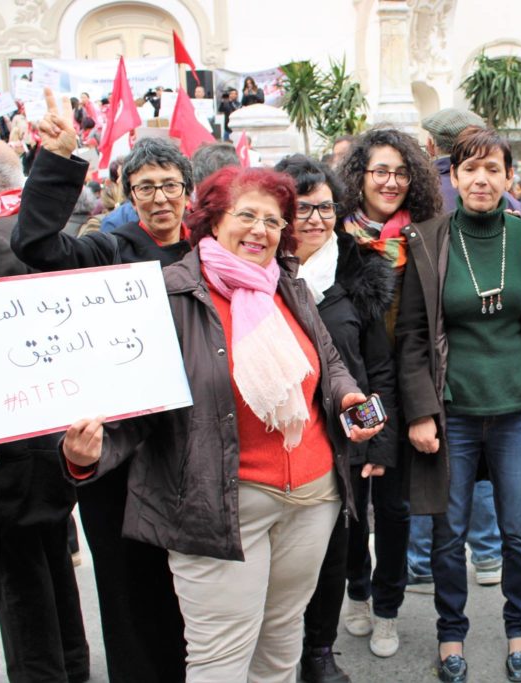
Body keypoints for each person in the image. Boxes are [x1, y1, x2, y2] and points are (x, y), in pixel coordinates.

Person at [62, 164, 382, 680]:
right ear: (213, 220)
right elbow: (136, 402)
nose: (260, 230)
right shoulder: (169, 295)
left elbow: (328, 361)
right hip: (219, 507)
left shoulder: (287, 286)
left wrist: (347, 397)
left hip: (313, 498)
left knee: (280, 646)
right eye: (247, 216)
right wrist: (84, 457)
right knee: (221, 660)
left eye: (274, 221)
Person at [10, 90, 193, 682]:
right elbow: (35, 246)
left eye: (170, 184)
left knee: (193, 589)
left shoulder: (213, 252)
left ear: (187, 191)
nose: (160, 197)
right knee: (125, 589)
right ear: (125, 195)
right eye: (145, 187)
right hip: (116, 453)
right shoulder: (107, 250)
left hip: (190, 448)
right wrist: (57, 161)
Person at [396, 126, 521, 683]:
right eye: (470, 169)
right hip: (452, 410)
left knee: (518, 529)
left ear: (509, 177)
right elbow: (410, 336)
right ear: (453, 176)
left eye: (493, 169)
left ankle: (518, 628)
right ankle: (450, 635)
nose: (481, 179)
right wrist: (421, 410)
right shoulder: (428, 239)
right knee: (448, 532)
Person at [271, 154, 397, 683]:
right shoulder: (257, 269)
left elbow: (378, 369)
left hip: (342, 445)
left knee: (333, 550)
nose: (316, 219)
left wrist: (376, 445)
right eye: (302, 209)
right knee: (282, 560)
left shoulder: (360, 271)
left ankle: (319, 653)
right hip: (275, 445)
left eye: (325, 207)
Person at [0, 138, 91, 683]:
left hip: (13, 447)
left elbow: (4, 356)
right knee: (48, 572)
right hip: (49, 439)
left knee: (22, 591)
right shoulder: (31, 228)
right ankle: (72, 667)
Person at [334, 127, 444, 658]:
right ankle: (355, 587)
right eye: (380, 170)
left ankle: (387, 608)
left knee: (396, 510)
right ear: (359, 175)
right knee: (351, 505)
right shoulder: (334, 237)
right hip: (350, 388)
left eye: (401, 172)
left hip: (406, 389)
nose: (391, 182)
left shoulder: (422, 237)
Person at [415, 109, 507, 591]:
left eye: (492, 170)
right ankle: (489, 554)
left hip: (439, 361)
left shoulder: (420, 194)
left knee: (437, 463)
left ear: (433, 146)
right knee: (479, 468)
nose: (480, 181)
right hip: (468, 372)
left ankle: (420, 561)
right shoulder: (491, 199)